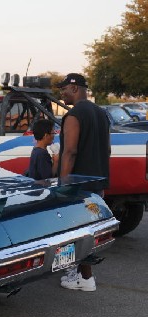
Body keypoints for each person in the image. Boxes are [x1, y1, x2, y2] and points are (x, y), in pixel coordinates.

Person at [57, 73, 111, 292]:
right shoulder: (102, 114)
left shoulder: (74, 115)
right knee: (91, 231)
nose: (62, 94)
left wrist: (62, 185)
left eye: (64, 89)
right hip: (98, 183)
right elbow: (107, 150)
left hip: (77, 186)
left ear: (75, 88)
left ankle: (79, 276)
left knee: (72, 232)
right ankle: (84, 276)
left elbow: (70, 151)